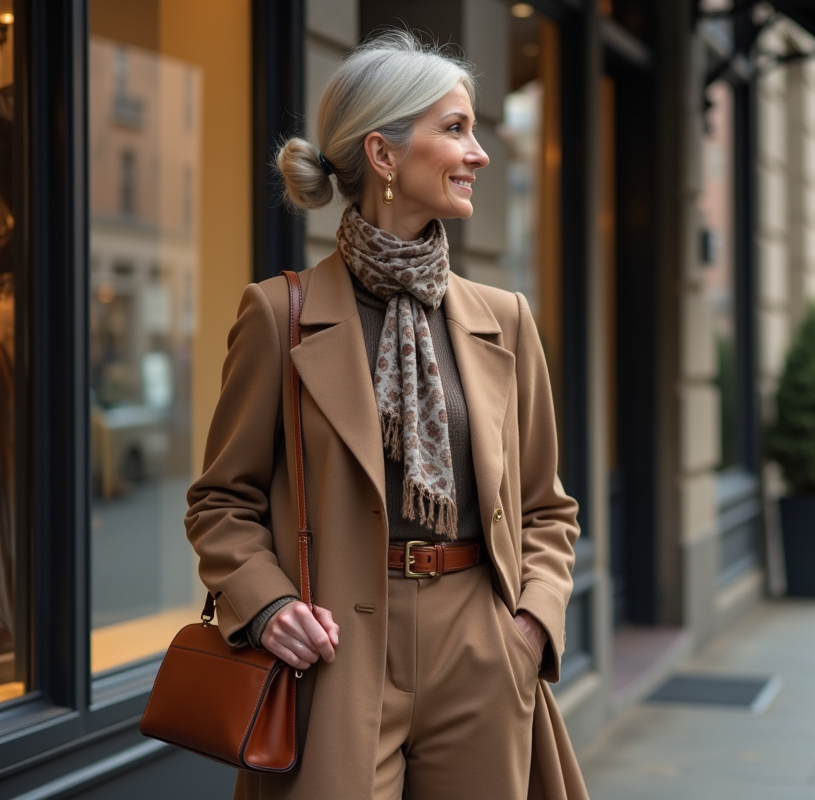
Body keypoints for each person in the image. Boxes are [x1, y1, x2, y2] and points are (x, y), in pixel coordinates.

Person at [185, 32, 587, 799]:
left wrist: (531, 624)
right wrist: (266, 605)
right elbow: (221, 503)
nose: (480, 154)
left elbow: (546, 507)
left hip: (482, 642)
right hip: (336, 654)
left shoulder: (505, 318)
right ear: (384, 154)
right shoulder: (280, 316)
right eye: (456, 128)